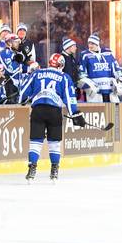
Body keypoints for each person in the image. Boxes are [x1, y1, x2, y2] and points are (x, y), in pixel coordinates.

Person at [20, 53, 87, 182]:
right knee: (54, 143)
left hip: (38, 110)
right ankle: (54, 171)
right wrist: (75, 113)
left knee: (35, 141)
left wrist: (22, 100)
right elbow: (69, 97)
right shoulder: (64, 77)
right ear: (61, 65)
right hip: (54, 111)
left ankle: (32, 169)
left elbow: (23, 92)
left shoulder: (37, 73)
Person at [79, 33, 122, 103]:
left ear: (97, 44)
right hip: (95, 90)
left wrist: (119, 77)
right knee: (98, 110)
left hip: (109, 88)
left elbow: (115, 67)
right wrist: (86, 83)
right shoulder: (85, 55)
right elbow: (82, 72)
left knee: (113, 110)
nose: (90, 46)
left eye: (92, 44)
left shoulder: (108, 53)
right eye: (89, 43)